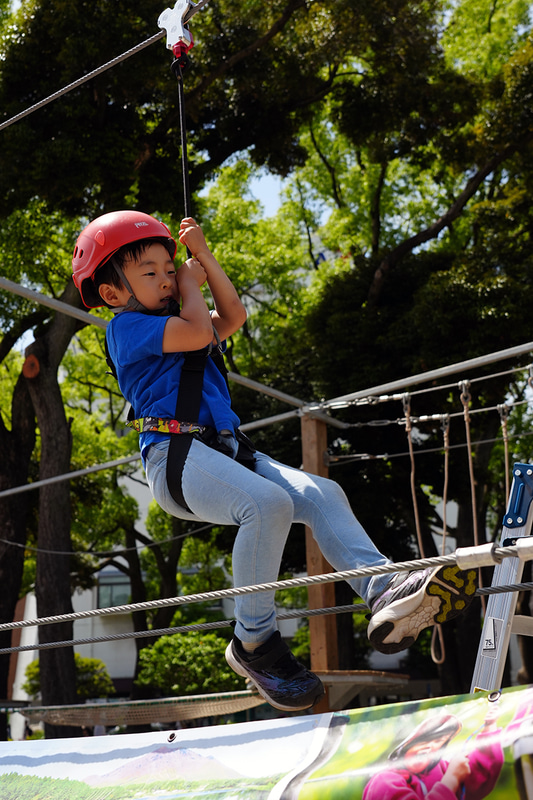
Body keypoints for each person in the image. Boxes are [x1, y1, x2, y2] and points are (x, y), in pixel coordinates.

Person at [72, 210, 478, 712]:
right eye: (149, 272)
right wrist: (191, 285)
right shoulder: (126, 328)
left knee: (322, 494)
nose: (167, 279)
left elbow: (233, 317)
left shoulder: (181, 315)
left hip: (226, 450)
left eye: (169, 268)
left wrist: (204, 257)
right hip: (175, 456)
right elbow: (197, 333)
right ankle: (254, 642)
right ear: (113, 293)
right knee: (266, 504)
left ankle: (382, 586)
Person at [362, 707, 503, 800]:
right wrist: (451, 780)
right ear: (404, 746)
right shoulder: (384, 782)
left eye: (439, 741)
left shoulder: (442, 768)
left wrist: (489, 727)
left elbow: (479, 773)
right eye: (423, 740)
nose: (429, 746)